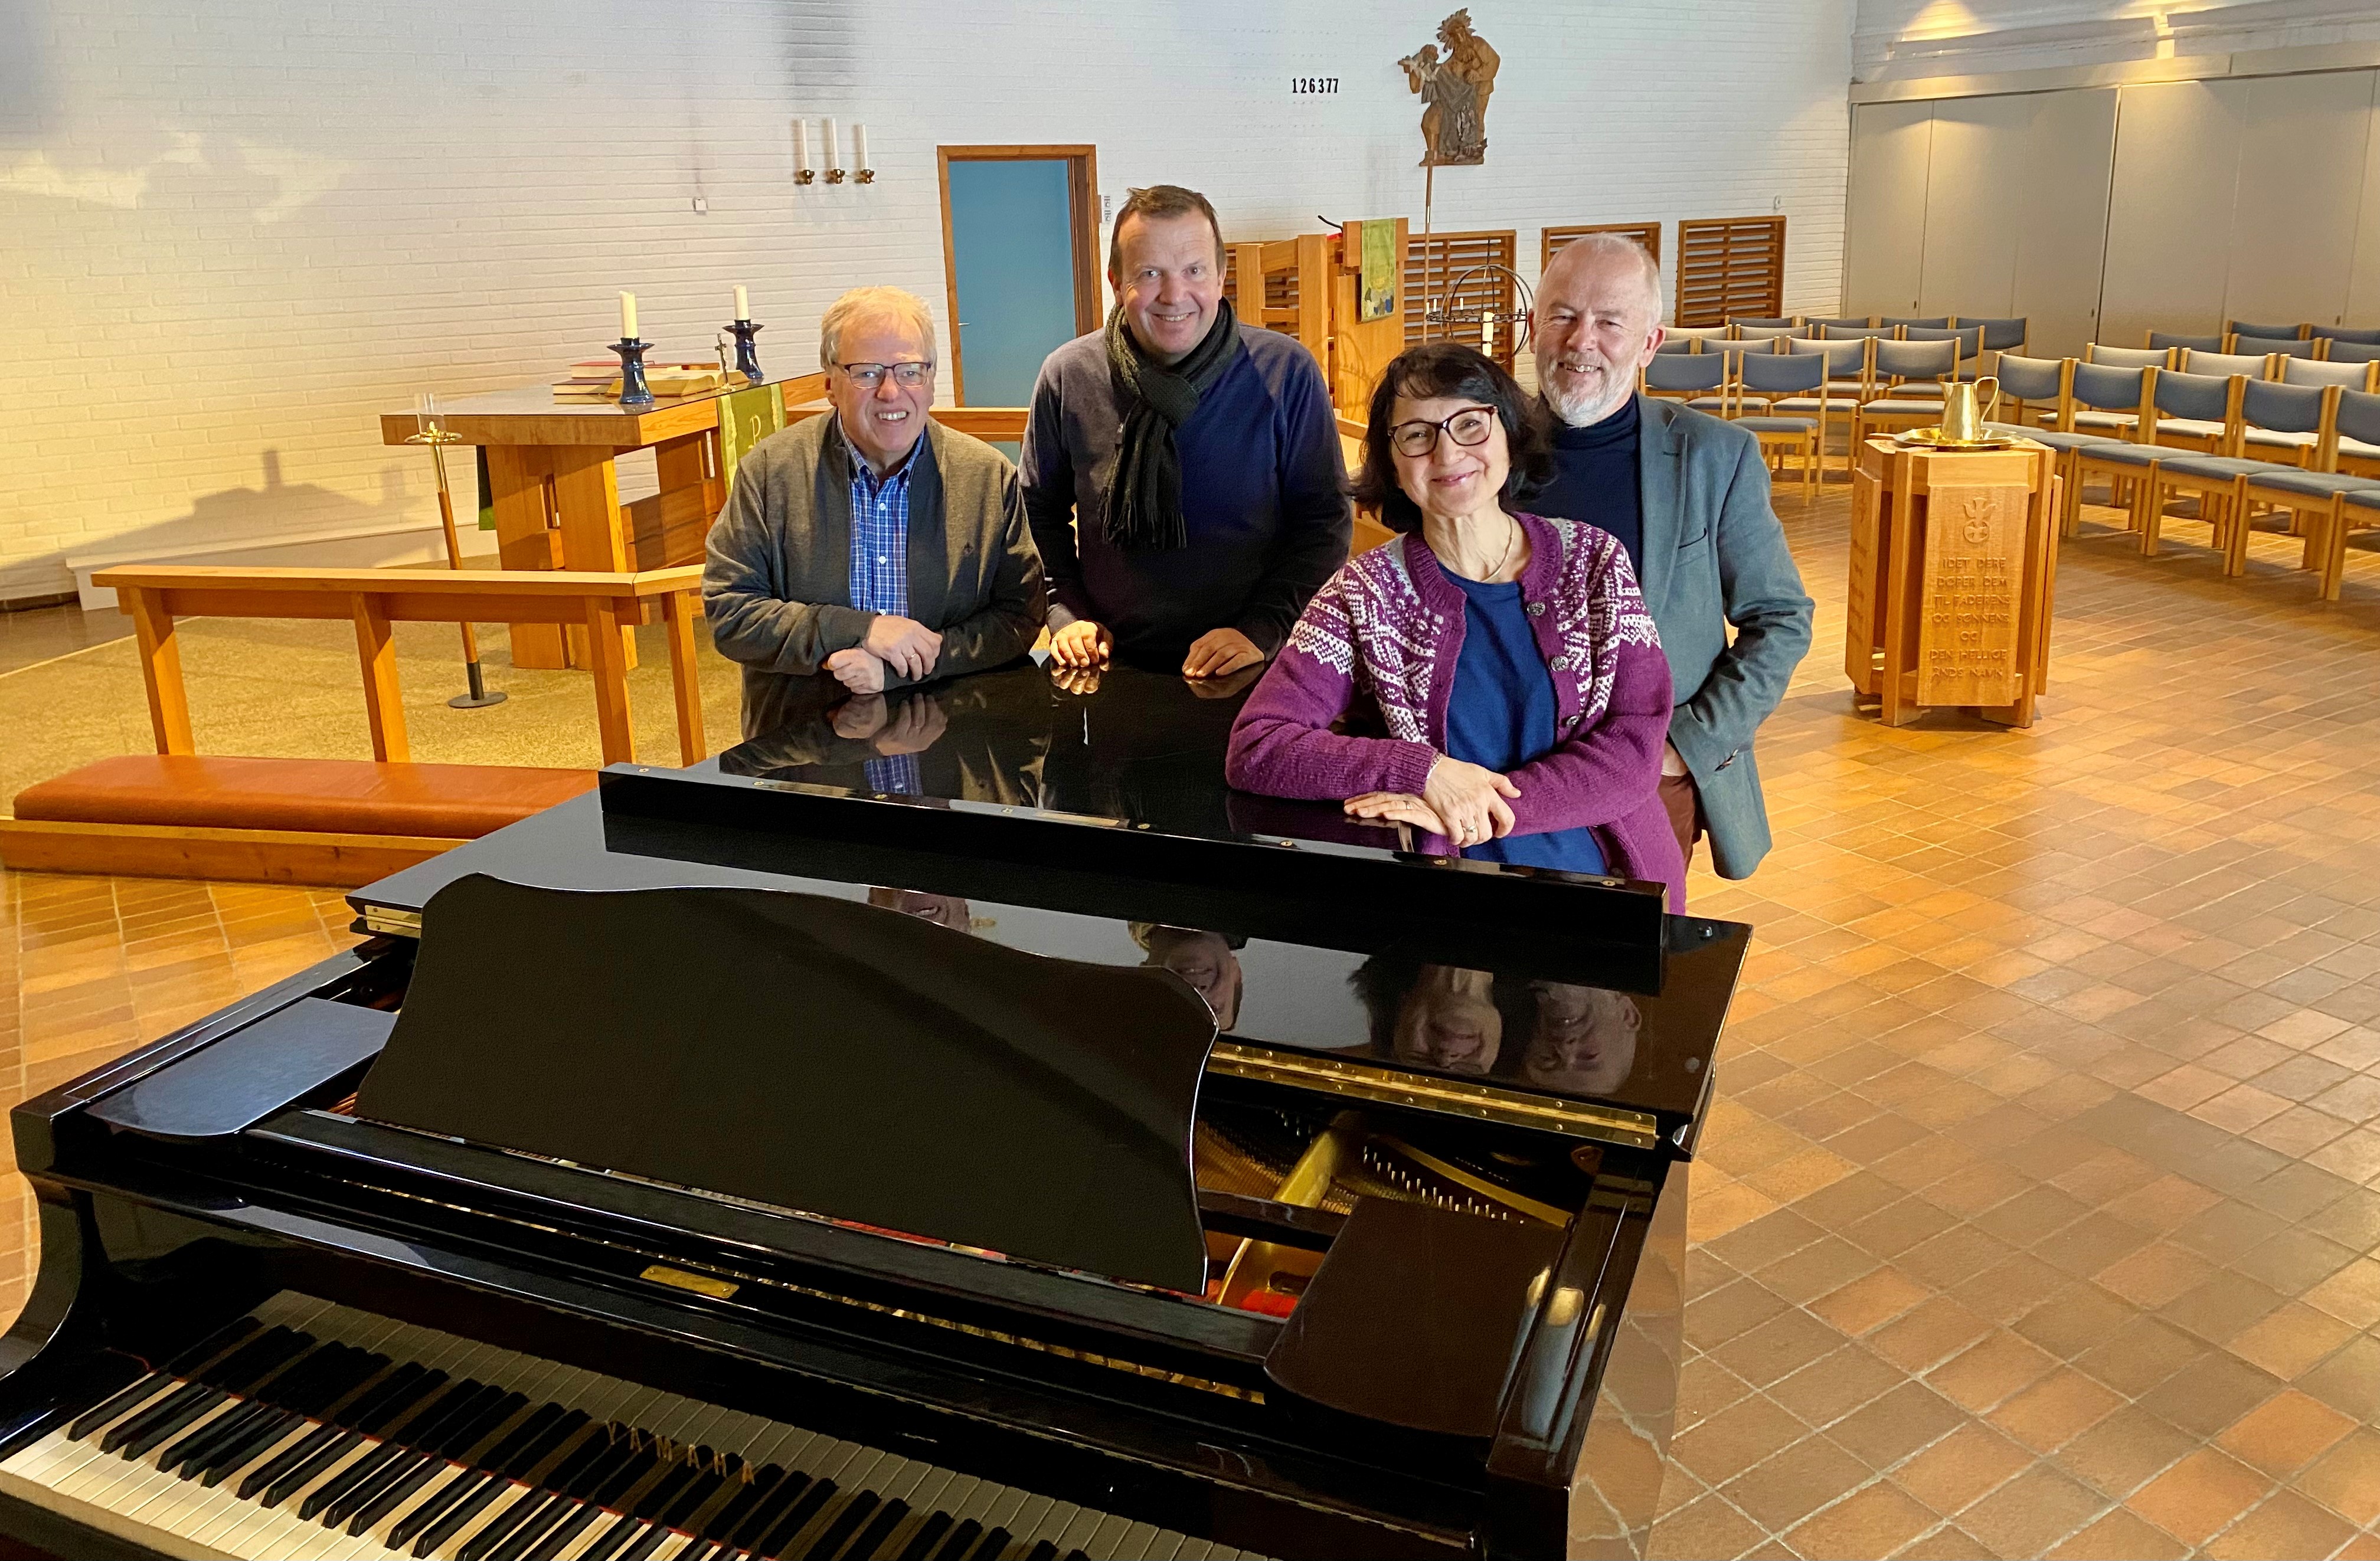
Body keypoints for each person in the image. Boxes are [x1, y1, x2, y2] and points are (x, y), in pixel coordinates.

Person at [1225, 341, 1686, 908]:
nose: (1447, 452)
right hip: (1444, 904)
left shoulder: (1595, 563)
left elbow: (1635, 743)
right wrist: (1423, 771)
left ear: (1509, 434)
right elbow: (1258, 746)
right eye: (1417, 434)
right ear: (1391, 465)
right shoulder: (1362, 594)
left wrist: (1491, 806)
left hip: (1602, 888)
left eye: (1470, 423)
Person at [1529, 234, 1813, 878]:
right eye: (1564, 315)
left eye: (1610, 322)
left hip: (1648, 777)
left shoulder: (1716, 457)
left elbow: (1782, 618)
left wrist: (1691, 742)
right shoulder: (1481, 451)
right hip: (1507, 773)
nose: (1582, 341)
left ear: (1650, 342)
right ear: (1532, 326)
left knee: (1620, 974)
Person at [1023, 184, 1350, 680]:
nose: (1175, 296)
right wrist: (1066, 610)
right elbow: (1035, 511)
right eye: (1150, 273)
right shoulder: (1067, 375)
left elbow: (1323, 522)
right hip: (1110, 664)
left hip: (1254, 662)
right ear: (1116, 281)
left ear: (1220, 276)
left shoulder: (1287, 373)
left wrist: (1262, 629)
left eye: (1194, 271)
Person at [704, 286, 1044, 734]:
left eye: (910, 371)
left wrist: (915, 663)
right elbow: (731, 612)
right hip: (805, 750)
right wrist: (859, 629)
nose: (890, 392)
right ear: (830, 384)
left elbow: (1020, 615)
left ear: (932, 379)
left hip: (951, 743)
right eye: (866, 373)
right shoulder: (770, 473)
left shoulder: (986, 477)